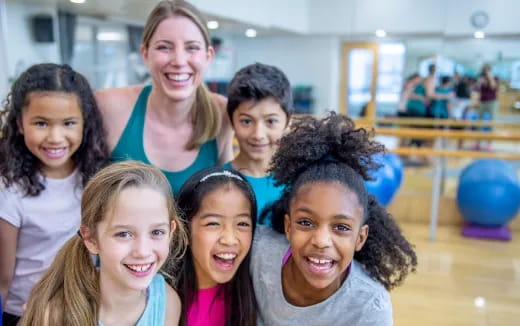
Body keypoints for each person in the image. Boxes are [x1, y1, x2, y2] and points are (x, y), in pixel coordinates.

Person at [251, 113, 417, 326]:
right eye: (306, 223)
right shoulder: (258, 254)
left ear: (360, 237)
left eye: (340, 227)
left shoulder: (369, 307)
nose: (321, 240)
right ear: (288, 226)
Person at [0, 63, 108, 326]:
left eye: (69, 123)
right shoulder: (8, 189)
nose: (56, 137)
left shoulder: (96, 179)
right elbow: (2, 281)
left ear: (85, 124)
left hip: (84, 310)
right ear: (20, 124)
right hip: (26, 314)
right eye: (41, 123)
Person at [19, 161, 188, 326]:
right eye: (124, 234)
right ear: (91, 239)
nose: (143, 251)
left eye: (157, 232)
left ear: (171, 231)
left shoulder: (167, 303)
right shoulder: (55, 316)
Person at [95, 0, 233, 196]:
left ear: (208, 56)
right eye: (164, 47)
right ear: (145, 54)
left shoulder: (224, 114)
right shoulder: (108, 106)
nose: (178, 61)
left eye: (192, 47)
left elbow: (228, 197)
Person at [173, 167, 257, 326]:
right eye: (213, 223)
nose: (230, 240)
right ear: (184, 228)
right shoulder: (161, 298)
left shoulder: (255, 293)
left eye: (242, 224)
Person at [223, 63, 292, 225]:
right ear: (231, 120)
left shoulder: (301, 183)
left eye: (271, 121)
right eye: (246, 121)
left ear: (288, 122)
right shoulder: (215, 183)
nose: (258, 135)